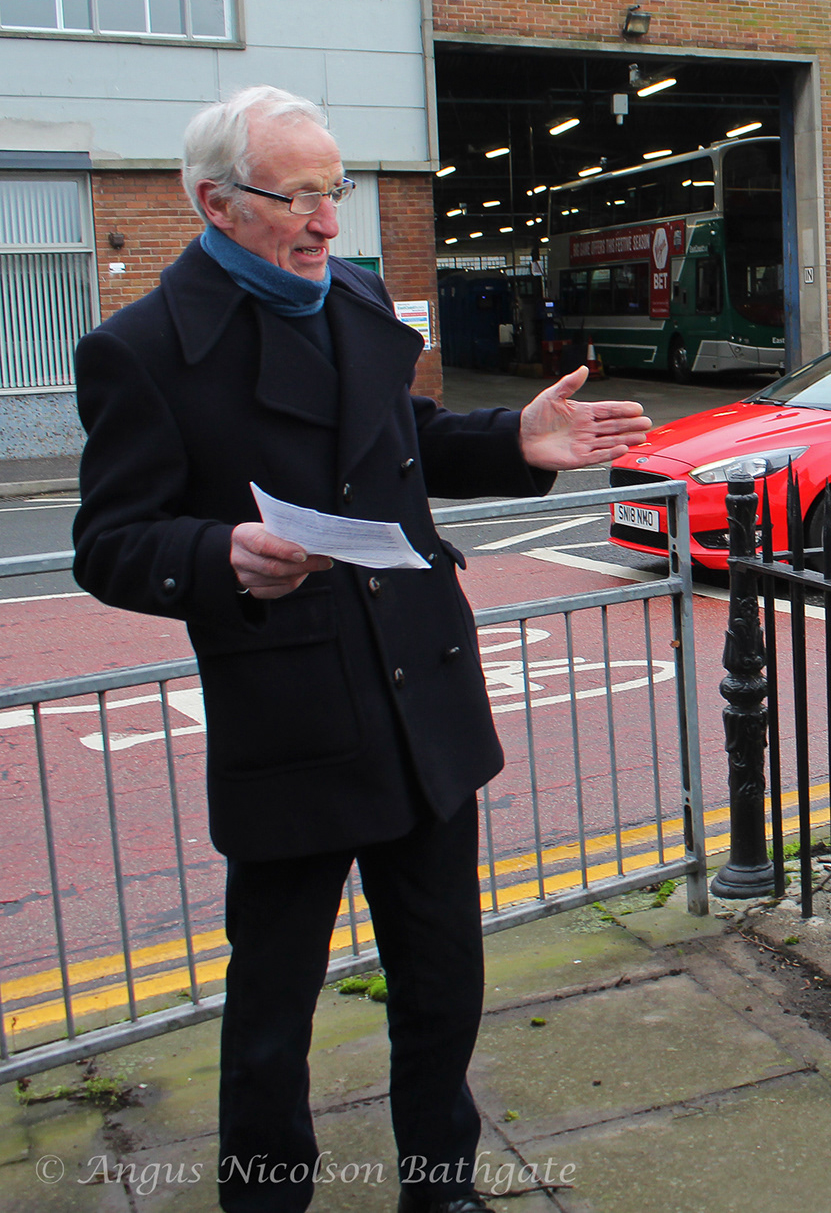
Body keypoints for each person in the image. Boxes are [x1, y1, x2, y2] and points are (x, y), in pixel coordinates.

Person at [70, 86, 651, 1213]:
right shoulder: (140, 351)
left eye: (334, 192)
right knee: (273, 1011)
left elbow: (406, 444)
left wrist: (516, 440)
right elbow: (109, 543)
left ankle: (442, 1188)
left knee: (443, 978)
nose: (329, 222)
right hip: (291, 718)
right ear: (216, 204)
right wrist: (219, 551)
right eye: (298, 197)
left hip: (421, 700)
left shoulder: (360, 295)